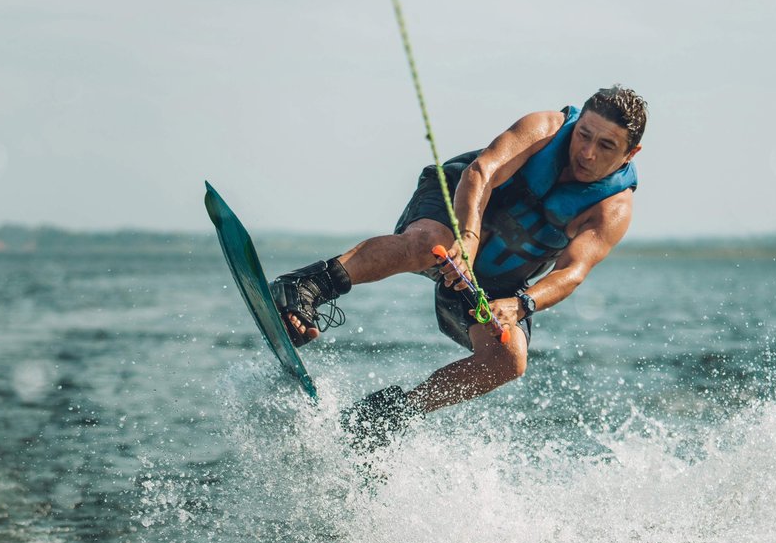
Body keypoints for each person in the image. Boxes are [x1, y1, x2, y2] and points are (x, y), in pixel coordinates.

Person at [271, 85, 646, 448]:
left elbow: (571, 272)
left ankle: (389, 415)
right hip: (455, 205)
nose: (588, 152)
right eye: (584, 135)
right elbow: (481, 171)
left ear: (631, 154)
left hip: (496, 277)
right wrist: (467, 237)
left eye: (606, 146)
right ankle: (306, 286)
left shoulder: (612, 209)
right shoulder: (545, 129)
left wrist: (521, 305)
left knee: (508, 360)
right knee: (427, 245)